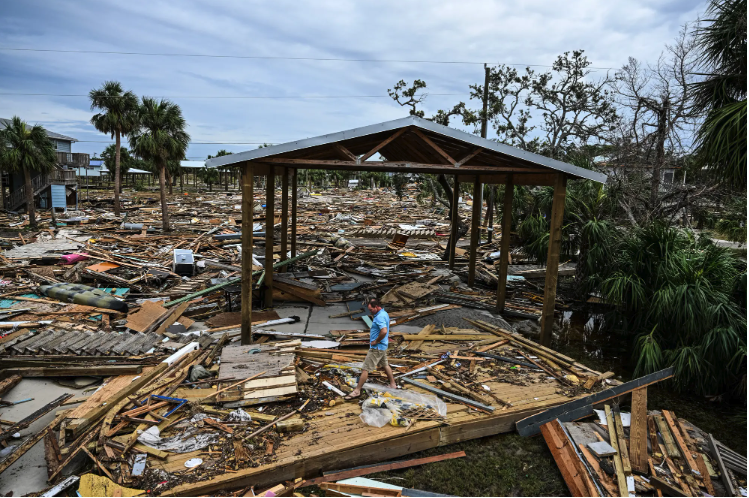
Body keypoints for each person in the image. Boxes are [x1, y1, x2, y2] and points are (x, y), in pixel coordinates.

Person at [344, 297, 397, 399]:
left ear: (376, 307)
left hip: (376, 347)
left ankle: (357, 391)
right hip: (382, 346)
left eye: (371, 309)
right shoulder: (384, 313)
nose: (370, 311)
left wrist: (376, 341)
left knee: (365, 369)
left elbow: (384, 331)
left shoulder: (379, 317)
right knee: (385, 364)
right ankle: (392, 384)